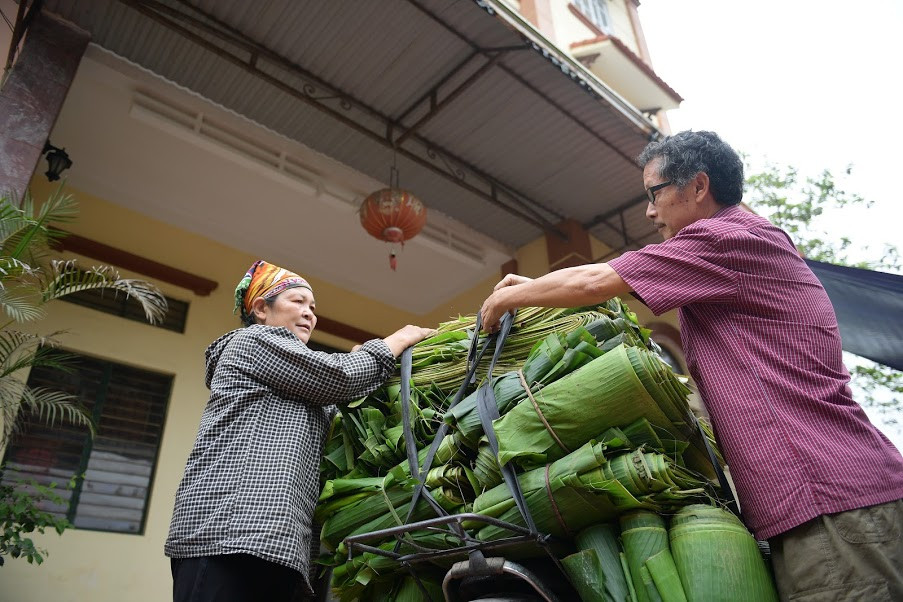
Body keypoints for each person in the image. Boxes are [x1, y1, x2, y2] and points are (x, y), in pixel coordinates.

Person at [479, 131, 903, 600]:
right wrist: (535, 287)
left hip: (828, 498)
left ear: (698, 186)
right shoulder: (737, 249)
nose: (649, 211)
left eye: (654, 193)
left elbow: (596, 282)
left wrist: (510, 297)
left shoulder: (727, 237)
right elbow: (602, 282)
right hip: (825, 501)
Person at [165, 260, 434, 601]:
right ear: (261, 309)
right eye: (298, 302)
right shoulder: (252, 341)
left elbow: (339, 392)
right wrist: (399, 339)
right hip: (227, 534)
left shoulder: (301, 385)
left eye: (313, 307)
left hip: (273, 545)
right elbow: (339, 377)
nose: (309, 313)